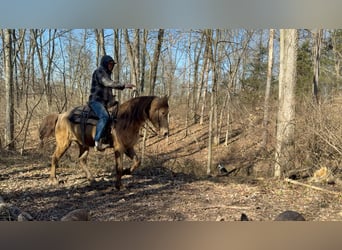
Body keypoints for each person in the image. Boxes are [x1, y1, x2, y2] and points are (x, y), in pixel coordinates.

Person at [88, 55, 134, 151]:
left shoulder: (107, 74)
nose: (111, 66)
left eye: (112, 64)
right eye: (109, 64)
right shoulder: (99, 72)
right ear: (105, 64)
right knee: (105, 117)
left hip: (105, 103)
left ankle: (110, 138)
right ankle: (97, 141)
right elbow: (107, 83)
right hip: (96, 101)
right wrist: (124, 85)